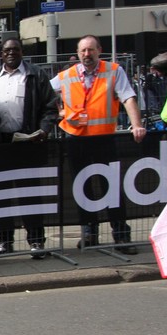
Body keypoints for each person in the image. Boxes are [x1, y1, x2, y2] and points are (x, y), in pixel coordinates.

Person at [52, 35, 146, 254]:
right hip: (76, 139)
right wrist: (60, 113)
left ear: (99, 50)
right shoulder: (66, 76)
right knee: (82, 188)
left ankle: (121, 235)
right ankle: (89, 233)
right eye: (83, 50)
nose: (87, 54)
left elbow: (128, 98)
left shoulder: (113, 71)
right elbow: (45, 94)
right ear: (77, 53)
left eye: (91, 50)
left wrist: (137, 125)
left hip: (104, 139)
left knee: (110, 187)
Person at [0, 38, 60, 258]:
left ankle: (36, 241)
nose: (11, 53)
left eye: (15, 49)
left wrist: (43, 130)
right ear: (1, 54)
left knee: (30, 194)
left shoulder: (36, 75)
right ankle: (4, 240)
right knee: (1, 194)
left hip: (27, 142)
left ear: (22, 52)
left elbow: (51, 108)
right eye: (7, 50)